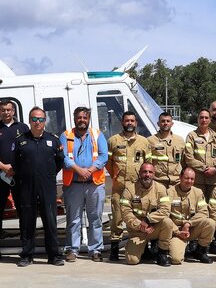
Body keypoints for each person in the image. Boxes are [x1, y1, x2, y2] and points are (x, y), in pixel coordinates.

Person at [14, 107, 65, 267]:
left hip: (47, 186)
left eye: (41, 119)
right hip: (27, 187)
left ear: (45, 121)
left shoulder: (53, 140)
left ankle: (54, 255)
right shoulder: (21, 140)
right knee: (27, 222)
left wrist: (47, 176)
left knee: (50, 221)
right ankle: (27, 255)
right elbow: (15, 163)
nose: (37, 122)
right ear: (29, 121)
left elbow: (59, 162)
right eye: (34, 119)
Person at [61, 106, 108, 261]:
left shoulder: (97, 135)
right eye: (79, 117)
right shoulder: (66, 135)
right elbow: (64, 157)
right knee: (73, 220)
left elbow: (103, 156)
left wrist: (89, 170)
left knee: (95, 218)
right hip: (73, 184)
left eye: (84, 117)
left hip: (94, 184)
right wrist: (78, 170)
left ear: (88, 119)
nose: (82, 120)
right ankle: (72, 250)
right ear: (74, 119)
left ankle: (95, 250)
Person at [107, 110, 151, 261]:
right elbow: (108, 163)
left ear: (136, 123)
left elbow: (148, 164)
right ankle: (114, 248)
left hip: (137, 188)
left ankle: (142, 246)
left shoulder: (144, 142)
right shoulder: (113, 140)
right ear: (122, 123)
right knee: (117, 218)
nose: (130, 123)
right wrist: (116, 176)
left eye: (132, 121)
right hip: (119, 187)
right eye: (127, 121)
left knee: (140, 215)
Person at [0, 100, 28, 261]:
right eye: (3, 110)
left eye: (9, 110)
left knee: (24, 213)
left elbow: (27, 150)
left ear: (13, 111)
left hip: (19, 178)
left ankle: (26, 250)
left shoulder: (23, 128)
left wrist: (15, 168)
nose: (6, 113)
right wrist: (4, 167)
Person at [119, 162, 173, 266]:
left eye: (150, 172)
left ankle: (162, 253)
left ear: (154, 174)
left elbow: (165, 209)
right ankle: (143, 251)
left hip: (154, 228)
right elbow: (126, 213)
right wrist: (140, 225)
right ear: (139, 173)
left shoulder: (161, 189)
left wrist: (147, 220)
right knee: (131, 260)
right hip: (137, 231)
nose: (147, 174)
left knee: (167, 222)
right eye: (144, 172)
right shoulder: (129, 190)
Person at [164, 167, 214, 264]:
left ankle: (200, 251)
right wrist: (177, 232)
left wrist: (188, 224)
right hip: (176, 230)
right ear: (180, 177)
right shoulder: (169, 192)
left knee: (210, 223)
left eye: (192, 179)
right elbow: (165, 215)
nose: (189, 181)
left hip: (192, 229)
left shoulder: (198, 192)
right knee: (176, 260)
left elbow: (204, 212)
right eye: (186, 178)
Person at [183, 109, 216, 193]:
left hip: (215, 181)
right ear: (198, 119)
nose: (204, 120)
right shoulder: (192, 136)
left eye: (206, 118)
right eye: (201, 118)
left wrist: (215, 168)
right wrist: (205, 168)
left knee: (214, 204)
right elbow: (189, 158)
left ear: (210, 119)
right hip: (198, 181)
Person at [148, 111, 183, 189]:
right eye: (163, 121)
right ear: (158, 123)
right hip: (158, 182)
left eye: (168, 121)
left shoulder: (180, 140)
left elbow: (184, 161)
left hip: (176, 183)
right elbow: (147, 161)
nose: (165, 123)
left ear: (172, 124)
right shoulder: (150, 141)